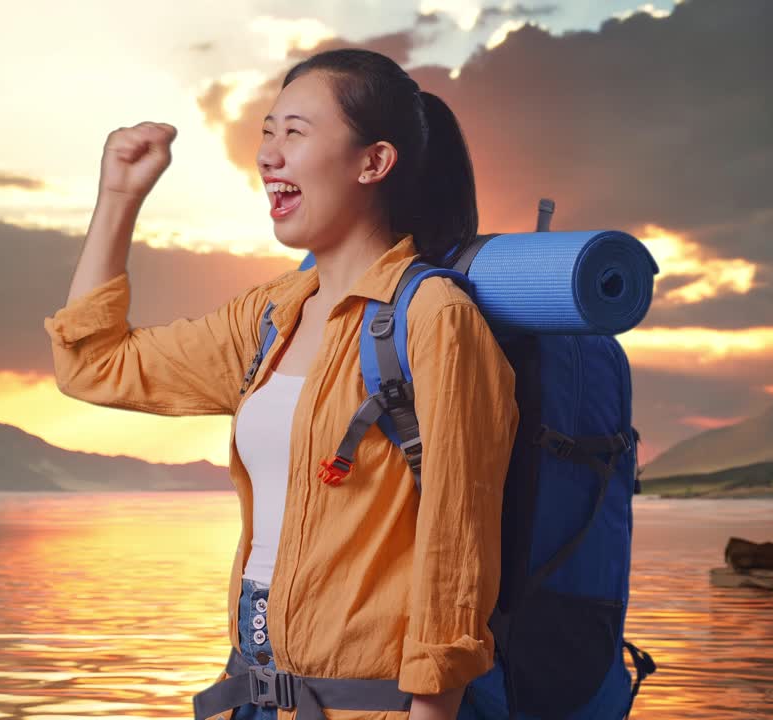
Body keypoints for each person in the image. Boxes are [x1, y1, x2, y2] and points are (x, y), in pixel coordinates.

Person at [43, 48, 518, 720]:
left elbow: (457, 545)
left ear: (373, 162)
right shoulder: (268, 316)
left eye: (294, 132)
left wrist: (433, 711)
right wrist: (120, 196)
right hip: (256, 690)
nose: (268, 154)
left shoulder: (434, 319)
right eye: (266, 132)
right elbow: (94, 365)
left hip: (374, 704)